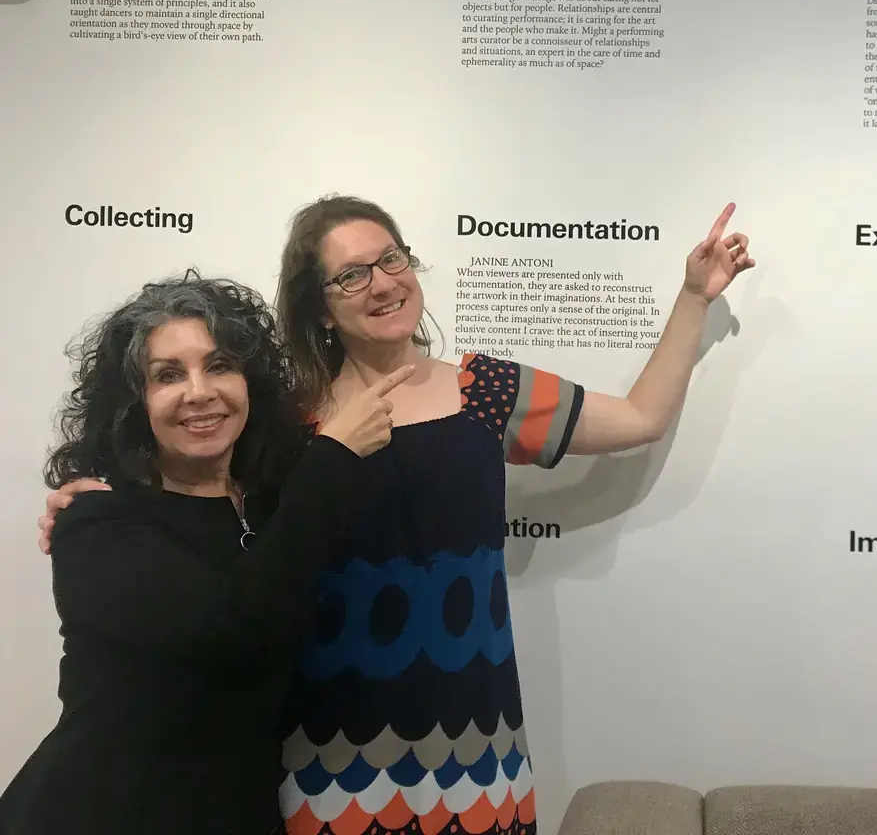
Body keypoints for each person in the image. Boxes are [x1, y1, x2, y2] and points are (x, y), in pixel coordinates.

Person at [36, 196, 755, 835]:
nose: (382, 283)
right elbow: (203, 506)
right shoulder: (285, 421)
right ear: (320, 305)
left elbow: (639, 417)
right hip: (329, 744)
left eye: (391, 259)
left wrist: (693, 298)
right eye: (351, 275)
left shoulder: (486, 390)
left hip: (475, 735)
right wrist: (88, 501)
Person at [2, 272, 415, 835]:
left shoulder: (272, 507)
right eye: (168, 375)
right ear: (135, 404)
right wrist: (333, 458)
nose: (200, 391)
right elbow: (233, 626)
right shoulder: (97, 524)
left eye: (219, 365)